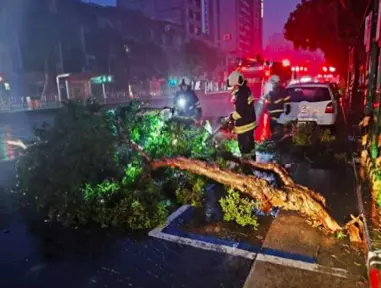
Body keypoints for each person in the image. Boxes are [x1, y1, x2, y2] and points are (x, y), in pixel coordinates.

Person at [227, 71, 257, 160]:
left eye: (232, 87)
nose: (231, 89)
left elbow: (240, 113)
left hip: (244, 127)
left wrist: (230, 117)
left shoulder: (241, 95)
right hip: (249, 125)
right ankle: (253, 163)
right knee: (251, 148)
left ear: (236, 85)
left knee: (245, 149)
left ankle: (247, 167)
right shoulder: (245, 90)